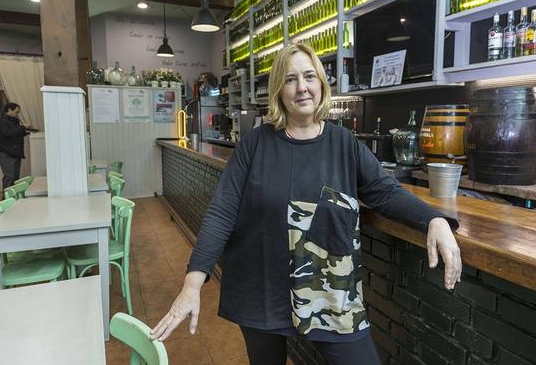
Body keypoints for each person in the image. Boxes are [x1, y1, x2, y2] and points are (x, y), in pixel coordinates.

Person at [150, 43, 462, 364]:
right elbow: (222, 212)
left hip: (329, 292)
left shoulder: (344, 144)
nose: (302, 87)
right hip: (261, 288)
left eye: (309, 76)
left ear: (321, 84)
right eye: (290, 79)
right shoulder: (254, 145)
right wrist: (192, 283)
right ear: (278, 91)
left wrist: (434, 220)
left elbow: (385, 192)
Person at [0, 102, 31, 190]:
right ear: (10, 110)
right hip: (6, 153)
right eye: (16, 111)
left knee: (15, 177)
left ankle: (14, 198)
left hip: (16, 152)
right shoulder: (1, 121)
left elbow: (15, 134)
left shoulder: (14, 121)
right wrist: (22, 127)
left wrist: (25, 132)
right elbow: (8, 133)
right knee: (9, 177)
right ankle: (6, 199)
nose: (17, 114)